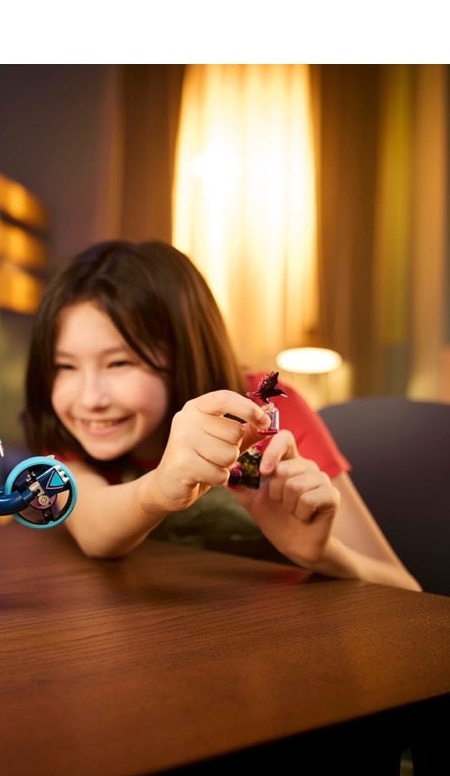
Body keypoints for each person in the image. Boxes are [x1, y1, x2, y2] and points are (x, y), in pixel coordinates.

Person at [22, 239, 420, 592]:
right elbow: (94, 531)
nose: (89, 399)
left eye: (119, 363)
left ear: (185, 355)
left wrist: (322, 554)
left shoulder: (265, 412)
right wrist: (160, 488)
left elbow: (403, 587)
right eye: (64, 367)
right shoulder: (68, 430)